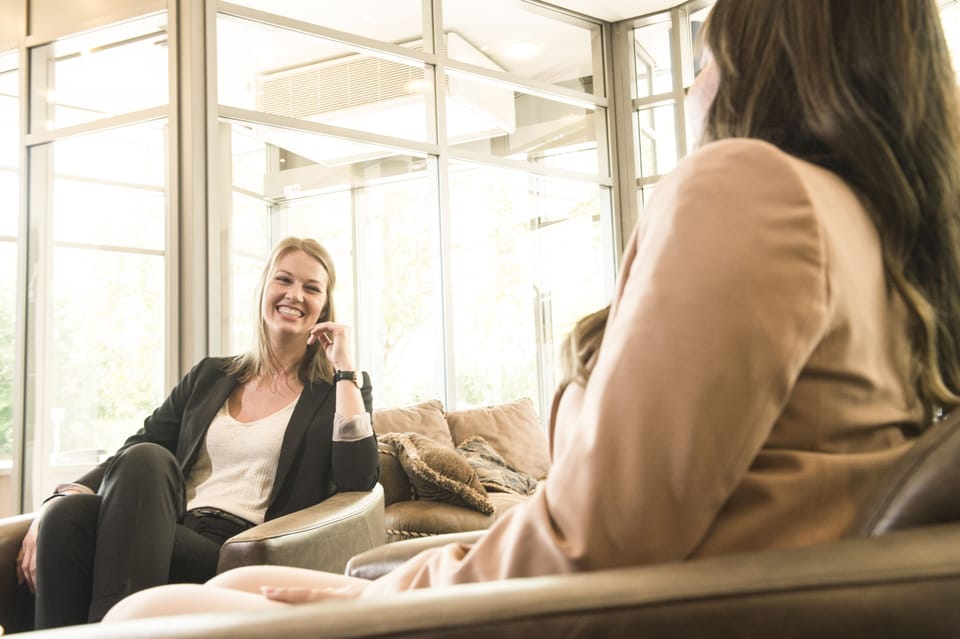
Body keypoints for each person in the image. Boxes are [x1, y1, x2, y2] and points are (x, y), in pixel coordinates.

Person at [104, 0, 960, 620]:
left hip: (623, 602)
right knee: (209, 579)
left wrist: (382, 591)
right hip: (692, 587)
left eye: (702, 57)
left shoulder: (754, 188)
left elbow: (593, 534)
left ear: (766, 57)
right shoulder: (882, 247)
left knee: (161, 612)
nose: (694, 89)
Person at [17, 237, 379, 628]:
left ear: (324, 306)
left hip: (237, 548)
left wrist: (344, 370)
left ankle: (117, 632)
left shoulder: (339, 389)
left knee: (144, 464)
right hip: (168, 526)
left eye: (311, 288)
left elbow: (357, 480)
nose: (294, 294)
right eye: (284, 280)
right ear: (264, 288)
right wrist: (57, 500)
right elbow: (141, 444)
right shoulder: (211, 375)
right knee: (72, 511)